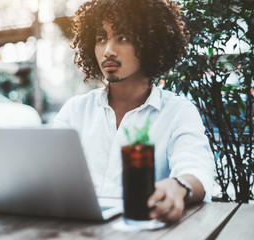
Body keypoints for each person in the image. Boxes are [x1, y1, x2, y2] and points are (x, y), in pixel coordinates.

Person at [53, 0, 214, 222]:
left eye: (123, 38)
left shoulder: (177, 112)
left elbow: (197, 170)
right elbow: (48, 175)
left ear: (151, 43)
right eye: (101, 39)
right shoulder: (75, 110)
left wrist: (177, 187)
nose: (108, 51)